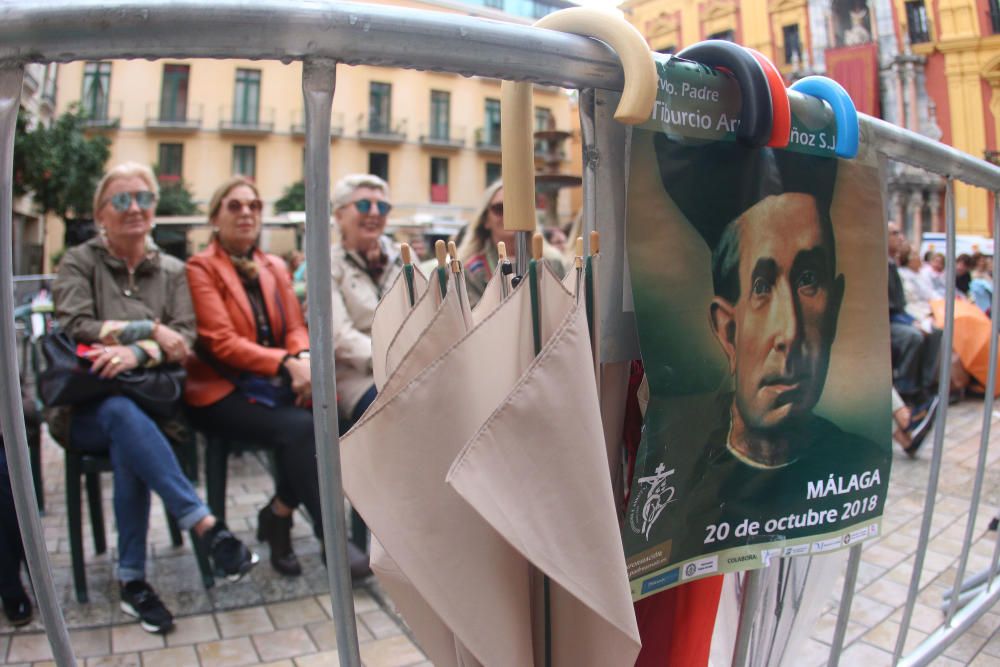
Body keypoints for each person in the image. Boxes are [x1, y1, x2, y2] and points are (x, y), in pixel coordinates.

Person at [52, 162, 257, 634]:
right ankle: (206, 526)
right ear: (101, 213)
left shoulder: (171, 269)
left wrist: (132, 353)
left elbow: (185, 339)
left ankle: (133, 581)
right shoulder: (79, 262)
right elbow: (74, 324)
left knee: (130, 431)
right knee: (120, 413)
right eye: (121, 200)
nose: (135, 209)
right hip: (83, 411)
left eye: (143, 198)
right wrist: (150, 332)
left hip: (153, 410)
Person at [184, 176, 353, 578]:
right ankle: (333, 542)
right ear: (215, 216)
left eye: (254, 206)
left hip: (272, 384)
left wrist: (299, 358)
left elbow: (295, 325)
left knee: (335, 418)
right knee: (301, 429)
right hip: (220, 392)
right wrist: (285, 365)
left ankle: (277, 513)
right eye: (235, 205)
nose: (247, 213)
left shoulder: (273, 265)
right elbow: (220, 341)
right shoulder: (201, 267)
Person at [330, 174, 402, 570]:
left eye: (382, 207)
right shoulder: (326, 265)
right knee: (389, 409)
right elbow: (338, 336)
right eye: (363, 205)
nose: (374, 213)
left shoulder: (400, 258)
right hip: (355, 376)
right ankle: (384, 531)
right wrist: (394, 359)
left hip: (403, 370)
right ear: (340, 215)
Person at [455, 180, 566, 308]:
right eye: (499, 209)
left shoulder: (552, 264)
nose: (509, 215)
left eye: (516, 207)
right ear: (486, 220)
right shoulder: (470, 271)